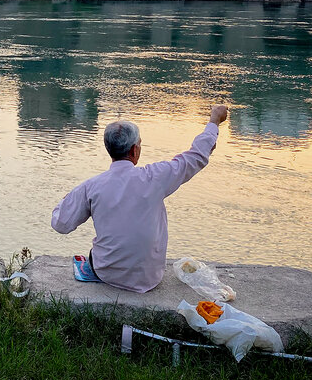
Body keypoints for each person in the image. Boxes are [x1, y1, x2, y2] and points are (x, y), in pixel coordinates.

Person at [51, 105, 228, 293]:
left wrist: (68, 199)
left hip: (107, 274)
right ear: (135, 150)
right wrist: (214, 121)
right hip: (151, 277)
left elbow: (60, 224)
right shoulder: (155, 178)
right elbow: (196, 157)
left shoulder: (91, 187)